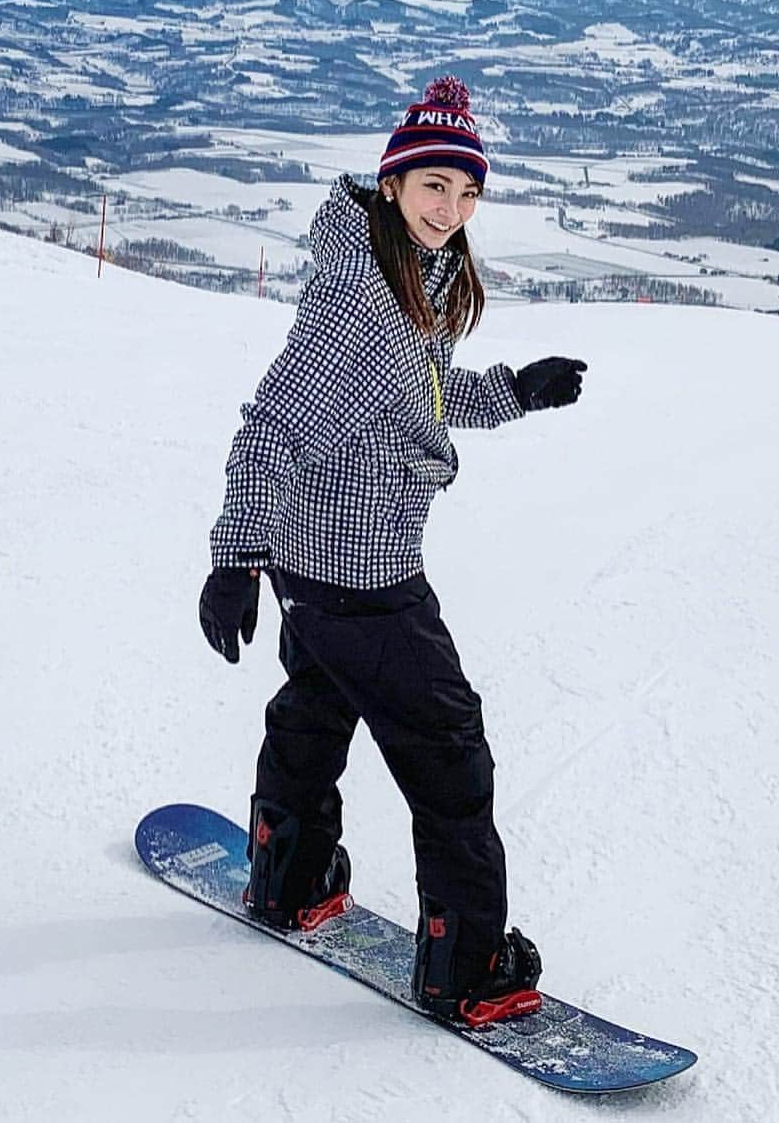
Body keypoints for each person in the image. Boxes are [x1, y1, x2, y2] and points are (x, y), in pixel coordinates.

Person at [199, 75, 587, 1027]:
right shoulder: (359, 301)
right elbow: (273, 430)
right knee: (449, 749)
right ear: (391, 182)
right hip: (360, 573)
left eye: (466, 192)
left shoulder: (404, 278)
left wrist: (516, 390)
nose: (449, 211)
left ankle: (287, 874)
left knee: (317, 702)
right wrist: (231, 558)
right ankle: (470, 963)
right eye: (432, 189)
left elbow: (418, 406)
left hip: (320, 563)